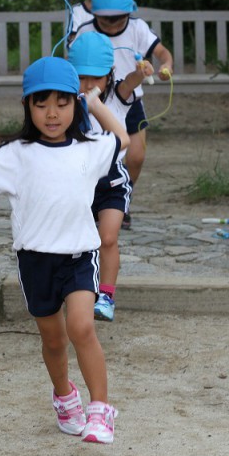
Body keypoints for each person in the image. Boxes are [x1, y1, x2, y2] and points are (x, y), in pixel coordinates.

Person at [0, 56, 129, 443]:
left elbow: (123, 139)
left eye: (62, 103)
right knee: (54, 341)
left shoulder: (90, 147)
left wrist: (96, 104)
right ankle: (65, 397)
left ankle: (101, 411)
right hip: (35, 262)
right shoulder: (16, 153)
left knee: (82, 327)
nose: (52, 113)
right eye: (41, 103)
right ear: (27, 106)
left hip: (80, 257)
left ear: (74, 105)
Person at [73, 0, 173, 229]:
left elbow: (162, 53)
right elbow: (74, 62)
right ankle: (95, 203)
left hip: (127, 98)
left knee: (136, 156)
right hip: (92, 101)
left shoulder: (137, 28)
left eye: (118, 19)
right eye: (106, 20)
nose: (112, 25)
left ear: (129, 13)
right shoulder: (85, 31)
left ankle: (121, 198)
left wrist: (165, 66)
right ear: (94, 13)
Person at [68, 32, 152, 322]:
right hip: (78, 180)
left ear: (109, 75)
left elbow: (131, 81)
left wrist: (141, 71)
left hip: (112, 181)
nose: (88, 84)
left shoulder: (118, 95)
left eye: (96, 77)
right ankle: (76, 290)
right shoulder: (66, 100)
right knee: (77, 241)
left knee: (107, 238)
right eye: (81, 77)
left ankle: (106, 297)